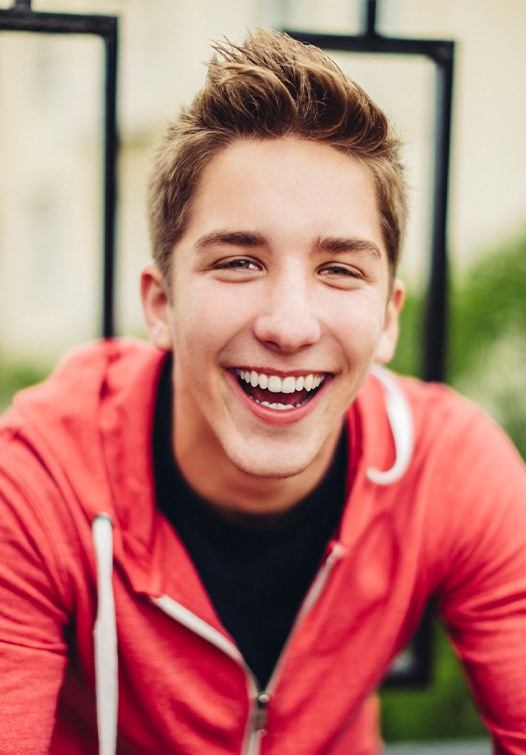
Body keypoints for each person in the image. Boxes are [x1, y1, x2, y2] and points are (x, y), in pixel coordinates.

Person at [0, 29, 525, 755]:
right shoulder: (36, 480)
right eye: (239, 261)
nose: (288, 325)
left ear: (389, 320)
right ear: (160, 304)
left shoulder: (455, 473)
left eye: (340, 269)